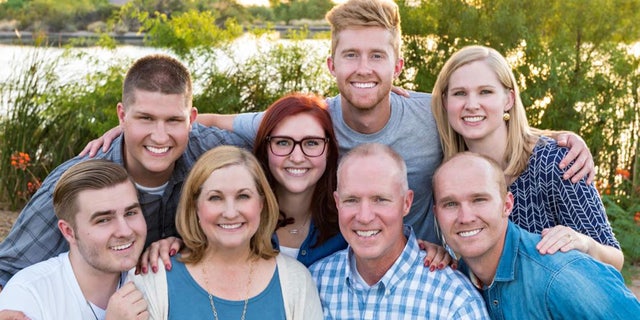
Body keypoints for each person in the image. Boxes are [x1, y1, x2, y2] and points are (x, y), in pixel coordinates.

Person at [83, 0, 593, 255]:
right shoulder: (311, 122)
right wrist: (126, 130)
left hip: (427, 263)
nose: (363, 68)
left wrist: (557, 138)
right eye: (350, 55)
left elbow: (481, 119)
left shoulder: (429, 114)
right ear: (331, 64)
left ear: (398, 63)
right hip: (333, 261)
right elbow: (209, 122)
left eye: (377, 55)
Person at [0, 54, 250, 287]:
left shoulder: (216, 152)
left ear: (191, 119)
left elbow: (281, 137)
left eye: (173, 120)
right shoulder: (77, 183)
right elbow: (7, 272)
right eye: (145, 118)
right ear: (122, 116)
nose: (160, 137)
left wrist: (190, 244)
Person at [430, 45, 623, 270]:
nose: (472, 105)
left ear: (509, 99)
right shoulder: (446, 173)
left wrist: (585, 244)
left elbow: (615, 260)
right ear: (445, 102)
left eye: (485, 92)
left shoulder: (556, 161)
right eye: (459, 93)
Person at [432, 152, 640, 319]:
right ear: (436, 213)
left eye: (479, 200)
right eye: (450, 204)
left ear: (507, 205)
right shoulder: (456, 282)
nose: (465, 217)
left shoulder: (560, 278)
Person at [130, 146, 322, 319]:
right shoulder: (154, 278)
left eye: (243, 196)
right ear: (195, 206)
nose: (230, 213)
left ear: (261, 204)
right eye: (215, 198)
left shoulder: (296, 281)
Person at [309, 143, 489, 319]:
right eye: (351, 200)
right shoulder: (314, 283)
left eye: (380, 199)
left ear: (406, 203)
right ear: (337, 202)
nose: (364, 217)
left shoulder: (454, 300)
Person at [0, 160, 149, 319]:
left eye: (131, 213)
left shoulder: (156, 281)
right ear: (69, 232)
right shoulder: (30, 295)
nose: (125, 231)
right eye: (103, 220)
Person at [253, 93, 347, 266]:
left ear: (329, 150)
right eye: (282, 142)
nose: (297, 157)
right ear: (265, 149)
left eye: (311, 143)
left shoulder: (347, 229)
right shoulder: (243, 222)